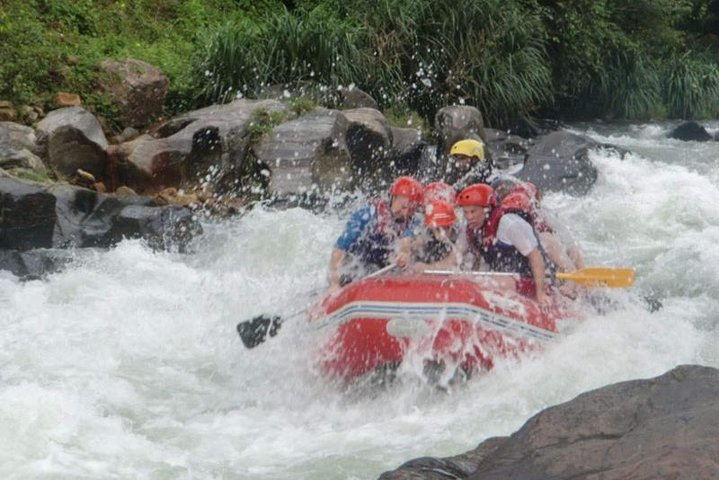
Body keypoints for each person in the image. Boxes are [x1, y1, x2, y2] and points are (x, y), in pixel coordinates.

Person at [457, 183, 552, 308]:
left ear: (486, 209)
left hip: (531, 279)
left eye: (473, 211)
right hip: (505, 279)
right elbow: (453, 258)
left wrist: (540, 293)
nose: (469, 217)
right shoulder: (470, 229)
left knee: (484, 281)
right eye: (466, 212)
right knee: (465, 276)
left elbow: (535, 256)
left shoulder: (509, 224)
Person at [327, 176, 423, 292]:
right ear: (392, 197)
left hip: (381, 268)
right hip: (355, 267)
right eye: (403, 207)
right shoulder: (366, 216)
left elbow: (405, 242)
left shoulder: (413, 220)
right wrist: (334, 283)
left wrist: (403, 254)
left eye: (411, 209)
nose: (405, 213)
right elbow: (339, 251)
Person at [400, 199, 460, 273]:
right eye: (437, 229)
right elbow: (410, 241)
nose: (441, 235)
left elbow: (455, 260)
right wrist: (404, 253)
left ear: (452, 225)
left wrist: (428, 268)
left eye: (445, 228)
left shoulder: (460, 234)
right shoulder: (427, 232)